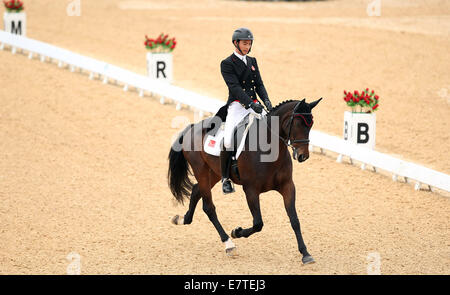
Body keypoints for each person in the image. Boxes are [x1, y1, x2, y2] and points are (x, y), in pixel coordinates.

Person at [219, 27, 273, 194]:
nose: (247, 46)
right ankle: (225, 178)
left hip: (255, 104)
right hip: (237, 105)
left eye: (249, 43)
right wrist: (250, 104)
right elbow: (235, 88)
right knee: (228, 140)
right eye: (244, 43)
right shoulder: (227, 63)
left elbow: (259, 84)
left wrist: (266, 101)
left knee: (273, 126)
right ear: (236, 43)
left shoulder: (252, 61)